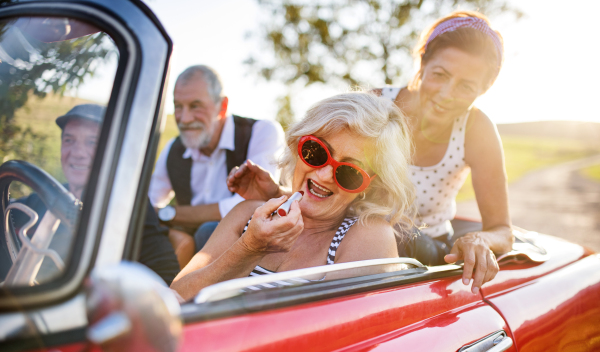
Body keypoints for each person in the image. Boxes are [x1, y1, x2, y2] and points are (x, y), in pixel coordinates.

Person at [227, 11, 513, 295]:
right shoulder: (376, 106)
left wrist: (478, 238)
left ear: (484, 89)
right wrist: (277, 191)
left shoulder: (477, 130)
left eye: (466, 86)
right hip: (339, 226)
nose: (447, 93)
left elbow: (502, 230)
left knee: (382, 231)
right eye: (440, 75)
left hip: (416, 242)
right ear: (423, 63)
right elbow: (339, 177)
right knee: (210, 232)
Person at [171, 92, 415, 301]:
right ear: (297, 145)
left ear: (369, 187)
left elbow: (330, 335)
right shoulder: (248, 213)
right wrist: (249, 249)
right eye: (316, 151)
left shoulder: (368, 235)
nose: (325, 174)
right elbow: (178, 296)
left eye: (350, 172)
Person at [9, 104, 181, 285]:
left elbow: (165, 276)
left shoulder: (126, 205)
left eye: (92, 142)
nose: (77, 153)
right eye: (69, 140)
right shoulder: (49, 195)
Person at [148, 65, 285, 252]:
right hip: (191, 247)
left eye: (195, 106)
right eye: (178, 106)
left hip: (255, 249)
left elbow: (251, 204)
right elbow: (150, 203)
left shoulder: (262, 132)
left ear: (223, 106)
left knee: (208, 231)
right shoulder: (173, 148)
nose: (184, 118)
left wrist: (170, 214)